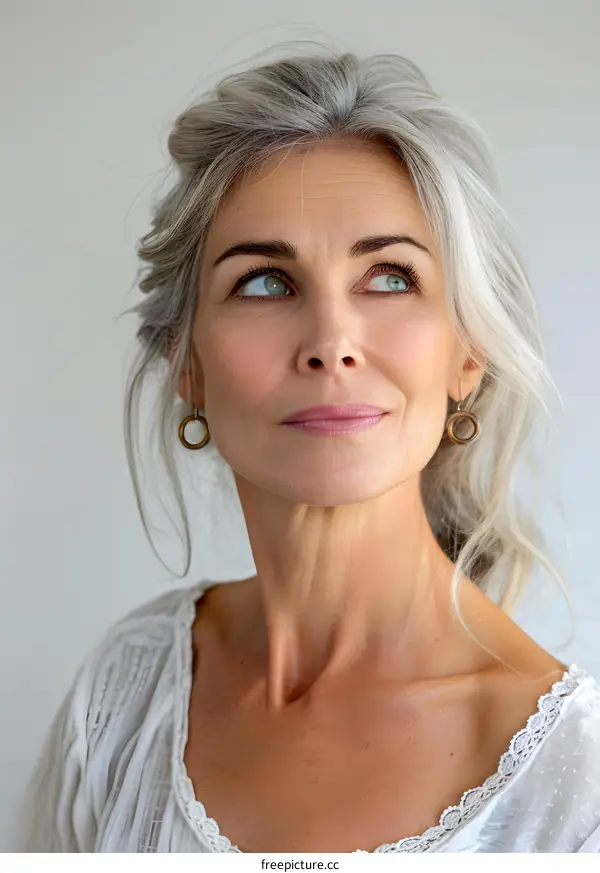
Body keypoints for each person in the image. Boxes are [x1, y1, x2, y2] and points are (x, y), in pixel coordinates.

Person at [16, 47, 600, 853]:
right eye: (265, 282)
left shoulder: (577, 787)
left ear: (467, 352)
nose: (331, 342)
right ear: (187, 362)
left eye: (390, 277)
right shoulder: (123, 694)